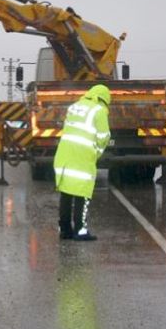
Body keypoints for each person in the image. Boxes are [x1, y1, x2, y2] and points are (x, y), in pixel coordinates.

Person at [53, 84, 111, 241]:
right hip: (82, 157)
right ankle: (80, 230)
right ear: (105, 100)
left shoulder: (74, 107)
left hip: (63, 155)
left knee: (66, 193)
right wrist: (97, 152)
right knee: (83, 193)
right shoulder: (99, 111)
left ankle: (65, 230)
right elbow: (104, 136)